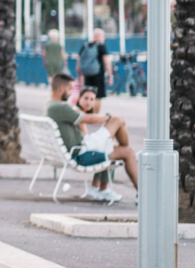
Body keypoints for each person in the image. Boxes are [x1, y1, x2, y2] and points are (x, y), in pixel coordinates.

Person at [44, 73, 137, 202]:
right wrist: (108, 117)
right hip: (82, 153)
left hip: (82, 148)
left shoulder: (50, 106)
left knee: (126, 150)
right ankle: (141, 194)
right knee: (118, 122)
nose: (71, 93)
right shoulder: (60, 107)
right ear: (61, 89)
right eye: (70, 89)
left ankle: (100, 188)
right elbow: (89, 119)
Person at [78, 28, 111, 99]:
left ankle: (90, 109)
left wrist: (79, 73)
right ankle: (96, 110)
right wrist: (110, 75)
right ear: (100, 36)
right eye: (103, 36)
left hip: (87, 74)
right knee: (98, 97)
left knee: (88, 94)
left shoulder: (85, 46)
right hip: (98, 74)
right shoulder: (101, 46)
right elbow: (107, 62)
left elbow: (79, 60)